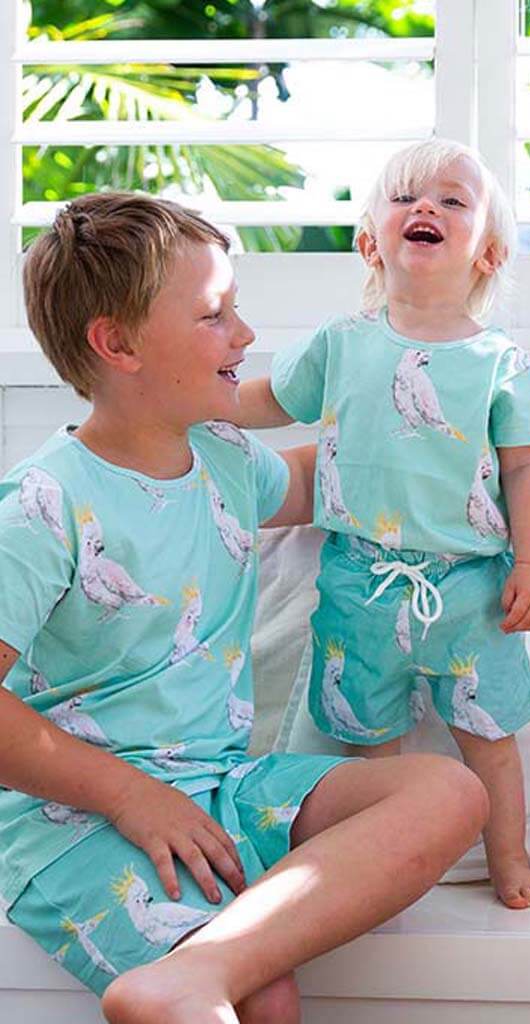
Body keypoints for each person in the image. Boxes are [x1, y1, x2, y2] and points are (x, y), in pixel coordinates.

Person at [0, 191, 488, 1024]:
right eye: (213, 315)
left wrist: (433, 450)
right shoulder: (41, 507)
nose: (245, 335)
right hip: (77, 817)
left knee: (448, 792)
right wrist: (128, 795)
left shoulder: (220, 456)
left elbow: (306, 482)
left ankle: (205, 965)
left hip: (223, 786)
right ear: (117, 344)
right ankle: (206, 977)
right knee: (267, 1000)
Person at [235, 138, 530, 911]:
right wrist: (199, 402)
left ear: (487, 252)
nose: (427, 208)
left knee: (491, 737)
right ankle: (384, 860)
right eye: (406, 197)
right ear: (368, 240)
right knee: (369, 740)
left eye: (453, 201)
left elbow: (526, 470)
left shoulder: (500, 363)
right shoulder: (340, 343)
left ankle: (508, 856)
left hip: (473, 589)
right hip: (359, 579)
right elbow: (269, 402)